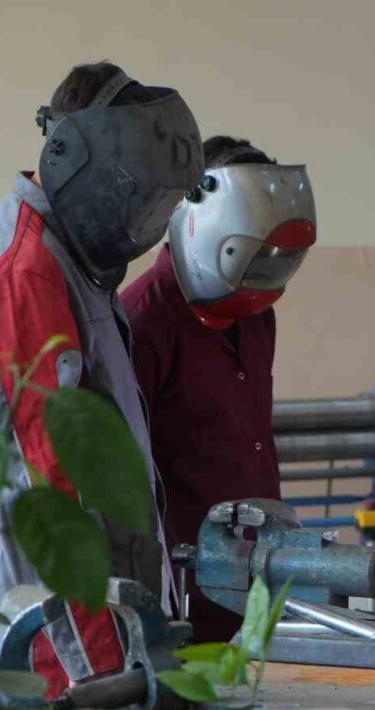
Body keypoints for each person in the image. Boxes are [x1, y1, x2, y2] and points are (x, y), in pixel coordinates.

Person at [0, 60, 201, 710]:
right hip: (64, 658)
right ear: (80, 165)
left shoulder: (67, 261)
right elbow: (52, 499)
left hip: (100, 644)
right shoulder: (28, 273)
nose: (143, 230)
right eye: (136, 204)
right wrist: (98, 677)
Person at [122, 136, 316, 642]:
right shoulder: (143, 322)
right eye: (254, 254)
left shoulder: (256, 315)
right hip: (184, 597)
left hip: (260, 582)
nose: (265, 271)